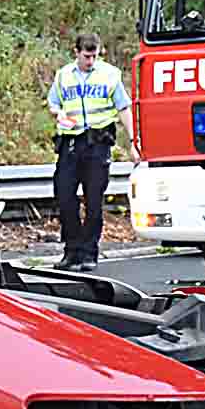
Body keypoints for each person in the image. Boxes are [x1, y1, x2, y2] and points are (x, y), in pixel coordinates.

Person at [48, 30, 130, 267]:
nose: (90, 61)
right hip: (71, 143)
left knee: (94, 202)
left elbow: (123, 108)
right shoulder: (64, 76)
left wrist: (135, 141)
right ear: (76, 53)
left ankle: (88, 253)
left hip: (98, 144)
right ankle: (71, 250)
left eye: (94, 56)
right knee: (64, 197)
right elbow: (53, 102)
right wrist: (58, 113)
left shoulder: (109, 75)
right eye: (86, 56)